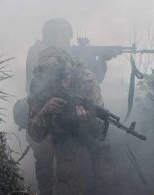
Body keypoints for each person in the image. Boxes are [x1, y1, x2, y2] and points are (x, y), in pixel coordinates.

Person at [28, 46, 112, 195]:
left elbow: (99, 132)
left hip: (88, 138)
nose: (63, 82)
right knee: (66, 180)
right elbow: (35, 134)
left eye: (65, 75)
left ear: (70, 69)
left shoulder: (87, 81)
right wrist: (45, 111)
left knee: (104, 181)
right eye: (56, 78)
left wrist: (88, 120)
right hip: (61, 138)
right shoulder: (39, 86)